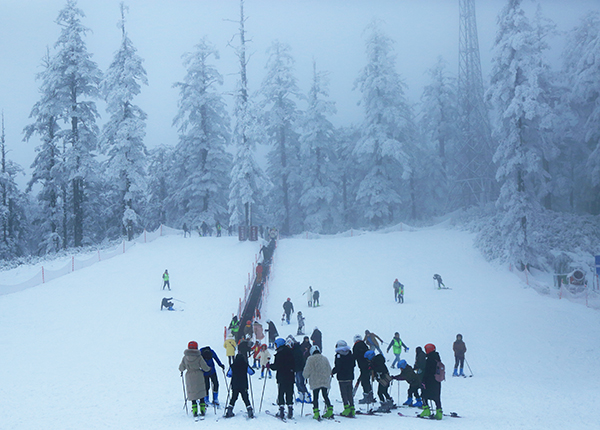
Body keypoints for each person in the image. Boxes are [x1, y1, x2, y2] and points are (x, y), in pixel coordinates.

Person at [179, 341, 211, 418]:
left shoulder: (185, 357)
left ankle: (194, 410)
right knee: (201, 392)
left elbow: (181, 368)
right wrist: (209, 369)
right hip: (199, 375)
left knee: (192, 393)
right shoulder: (199, 357)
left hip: (189, 375)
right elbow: (204, 367)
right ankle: (203, 409)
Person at [303, 345, 334, 420]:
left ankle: (316, 413)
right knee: (325, 395)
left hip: (315, 380)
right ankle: (330, 410)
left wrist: (305, 376)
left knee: (315, 397)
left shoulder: (310, 359)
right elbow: (329, 370)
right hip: (324, 380)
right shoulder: (324, 358)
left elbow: (307, 370)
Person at [271, 338, 296, 419]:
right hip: (290, 376)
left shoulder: (279, 354)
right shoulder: (291, 352)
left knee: (281, 393)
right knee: (289, 392)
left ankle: (281, 410)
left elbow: (276, 366)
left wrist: (269, 366)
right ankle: (290, 409)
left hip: (281, 376)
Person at [224, 353, 255, 418]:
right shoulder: (245, 365)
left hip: (235, 384)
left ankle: (229, 411)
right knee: (245, 397)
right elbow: (252, 372)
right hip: (243, 384)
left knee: (234, 397)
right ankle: (250, 411)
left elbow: (228, 374)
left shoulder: (233, 365)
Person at [332, 340, 356, 417]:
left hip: (342, 377)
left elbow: (338, 367)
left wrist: (333, 372)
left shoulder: (338, 356)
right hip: (350, 376)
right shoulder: (350, 354)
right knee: (350, 393)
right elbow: (354, 364)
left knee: (344, 393)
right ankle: (352, 408)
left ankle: (346, 408)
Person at [419, 343, 443, 420]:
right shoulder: (437, 358)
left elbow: (427, 371)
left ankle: (426, 410)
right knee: (436, 397)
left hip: (430, 381)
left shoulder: (429, 359)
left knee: (424, 395)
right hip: (437, 381)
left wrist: (423, 380)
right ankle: (439, 412)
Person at [353, 335, 375, 404]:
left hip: (362, 366)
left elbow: (354, 357)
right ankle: (370, 395)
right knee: (367, 380)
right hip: (369, 365)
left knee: (364, 381)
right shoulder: (364, 345)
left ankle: (366, 396)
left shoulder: (355, 346)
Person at [292, 337, 311, 404]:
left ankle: (307, 396)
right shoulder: (297, 350)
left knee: (300, 382)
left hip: (300, 369)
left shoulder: (297, 351)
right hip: (297, 369)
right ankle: (301, 396)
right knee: (298, 383)